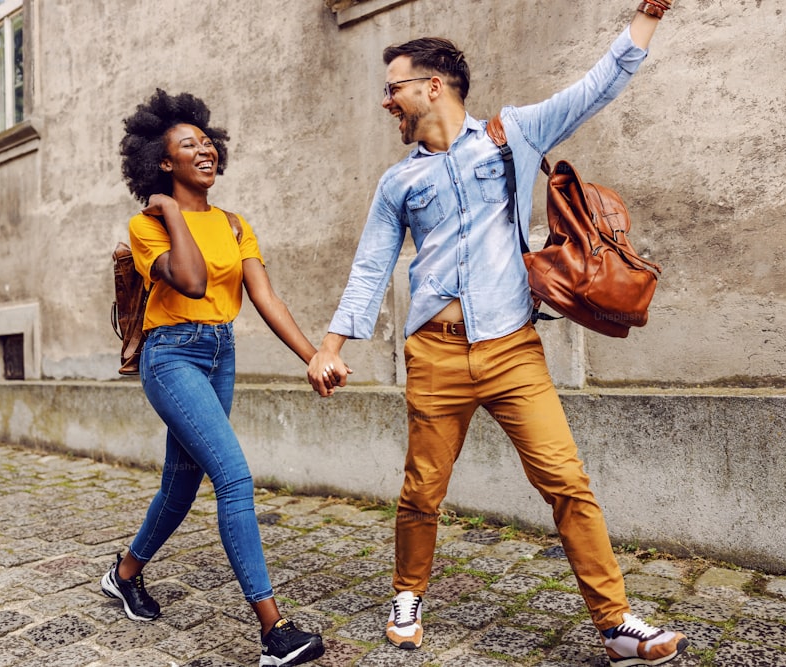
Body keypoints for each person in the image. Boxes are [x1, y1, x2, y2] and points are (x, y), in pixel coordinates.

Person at [306, 2, 689, 666]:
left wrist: (648, 17)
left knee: (566, 482)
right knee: (422, 489)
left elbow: (599, 84)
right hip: (435, 351)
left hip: (512, 349)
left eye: (393, 87)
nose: (385, 101)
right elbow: (371, 264)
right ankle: (407, 593)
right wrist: (331, 346)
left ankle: (615, 622)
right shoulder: (398, 182)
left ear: (432, 86)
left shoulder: (514, 133)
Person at [102, 89, 326, 667]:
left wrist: (312, 355)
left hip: (219, 353)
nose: (204, 151)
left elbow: (265, 297)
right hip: (171, 357)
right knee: (232, 475)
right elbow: (193, 282)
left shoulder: (233, 223)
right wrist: (172, 213)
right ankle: (274, 633)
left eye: (207, 142)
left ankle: (124, 574)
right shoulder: (145, 225)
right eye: (187, 146)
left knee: (181, 485)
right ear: (162, 162)